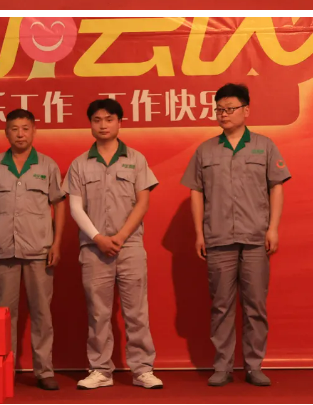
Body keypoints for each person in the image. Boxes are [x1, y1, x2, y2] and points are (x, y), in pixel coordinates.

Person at [181, 83, 291, 387]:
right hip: (217, 239)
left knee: (255, 305)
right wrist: (199, 233)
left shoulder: (264, 146)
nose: (224, 114)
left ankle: (254, 366)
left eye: (230, 109)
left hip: (255, 238)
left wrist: (273, 228)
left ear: (246, 110)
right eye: (219, 109)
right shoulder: (205, 150)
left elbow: (276, 186)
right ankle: (223, 366)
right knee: (221, 305)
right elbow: (196, 192)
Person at [63, 99, 163, 390]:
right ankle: (100, 370)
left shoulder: (136, 159)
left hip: (129, 246)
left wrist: (120, 237)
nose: (103, 125)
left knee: (137, 311)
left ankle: (142, 369)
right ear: (90, 124)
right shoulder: (79, 164)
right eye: (97, 120)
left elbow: (143, 202)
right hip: (93, 248)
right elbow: (75, 207)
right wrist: (98, 237)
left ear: (120, 122)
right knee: (98, 312)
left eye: (109, 119)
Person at [0, 109, 65, 390]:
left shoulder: (47, 165)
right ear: (6, 132)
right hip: (3, 249)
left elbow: (59, 203)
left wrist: (57, 242)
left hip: (40, 250)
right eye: (14, 129)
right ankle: (5, 369)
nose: (20, 134)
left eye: (25, 128)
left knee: (41, 313)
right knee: (3, 315)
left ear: (34, 131)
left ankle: (44, 370)